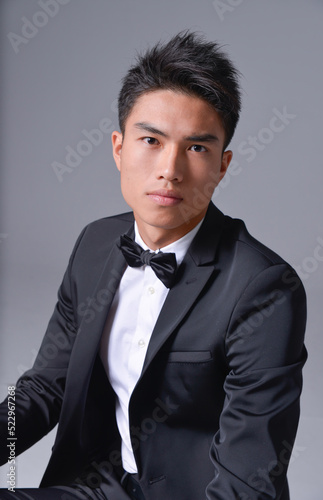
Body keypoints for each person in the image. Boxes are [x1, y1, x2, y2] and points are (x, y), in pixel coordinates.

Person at [0, 31, 307, 500]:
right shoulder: (96, 243)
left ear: (223, 166)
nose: (170, 168)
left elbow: (249, 481)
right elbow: (46, 387)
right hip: (95, 485)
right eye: (151, 140)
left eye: (197, 148)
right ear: (119, 147)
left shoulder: (264, 287)